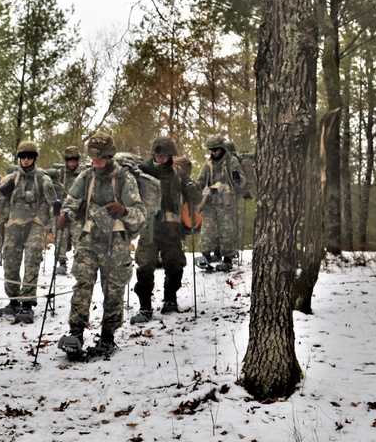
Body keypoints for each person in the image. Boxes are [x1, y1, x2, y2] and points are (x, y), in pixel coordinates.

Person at [55, 132, 146, 357]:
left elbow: (140, 215)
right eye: (94, 160)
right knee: (82, 285)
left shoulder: (125, 179)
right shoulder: (86, 177)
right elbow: (71, 201)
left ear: (110, 156)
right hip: (88, 240)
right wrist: (65, 215)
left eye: (101, 160)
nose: (97, 164)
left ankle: (108, 336)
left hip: (116, 243)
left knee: (113, 290)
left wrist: (124, 210)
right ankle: (75, 333)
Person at [130, 135, 196, 321]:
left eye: (164, 155)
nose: (160, 158)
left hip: (172, 227)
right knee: (144, 264)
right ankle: (144, 305)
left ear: (171, 155)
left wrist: (192, 191)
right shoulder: (144, 170)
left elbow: (192, 193)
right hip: (149, 226)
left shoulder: (178, 172)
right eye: (158, 155)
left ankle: (170, 299)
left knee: (174, 264)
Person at [0, 140, 59, 323]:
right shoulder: (10, 180)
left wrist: (53, 226)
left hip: (35, 224)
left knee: (32, 261)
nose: (26, 160)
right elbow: (2, 205)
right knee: (10, 262)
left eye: (29, 156)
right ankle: (13, 299)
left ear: (34, 158)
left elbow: (53, 205)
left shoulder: (43, 180)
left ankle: (27, 302)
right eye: (23, 156)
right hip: (14, 224)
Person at [196, 134, 247, 271]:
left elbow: (242, 182)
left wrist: (237, 178)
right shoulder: (207, 164)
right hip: (210, 201)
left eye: (216, 149)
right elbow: (200, 180)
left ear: (222, 148)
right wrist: (194, 188)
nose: (214, 152)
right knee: (207, 229)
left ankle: (228, 258)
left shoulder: (232, 161)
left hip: (226, 201)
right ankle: (206, 255)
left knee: (227, 230)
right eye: (211, 150)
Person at [46, 145, 86, 275]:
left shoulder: (84, 174)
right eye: (69, 159)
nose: (72, 162)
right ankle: (61, 262)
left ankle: (79, 262)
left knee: (78, 238)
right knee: (60, 238)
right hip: (62, 210)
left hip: (78, 212)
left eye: (74, 159)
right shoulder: (60, 174)